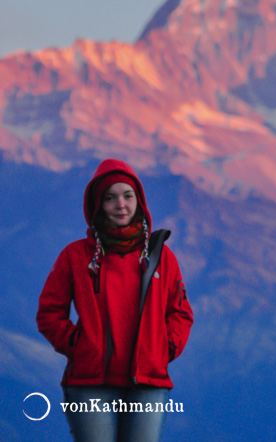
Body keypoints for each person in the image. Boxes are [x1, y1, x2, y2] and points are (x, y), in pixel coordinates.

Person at [36, 159, 194, 442]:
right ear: (97, 205)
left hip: (148, 384)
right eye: (110, 198)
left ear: (139, 201)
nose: (120, 204)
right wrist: (78, 345)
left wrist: (164, 348)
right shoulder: (74, 256)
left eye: (127, 196)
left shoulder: (162, 258)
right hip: (90, 384)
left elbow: (180, 312)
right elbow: (49, 313)